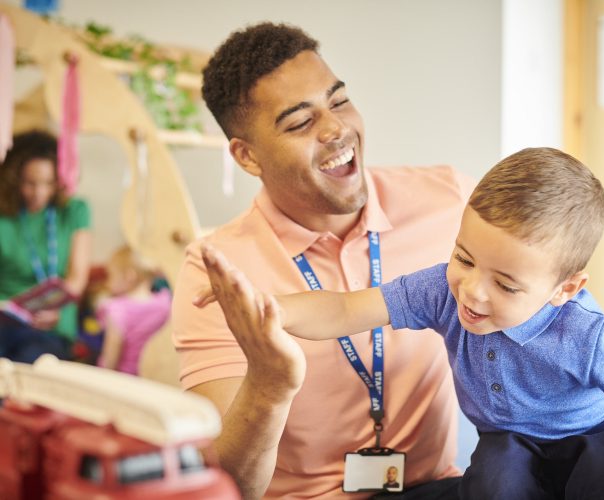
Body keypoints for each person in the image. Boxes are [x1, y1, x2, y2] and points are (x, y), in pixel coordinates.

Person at [202, 147, 604, 500]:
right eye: (464, 258)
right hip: (510, 436)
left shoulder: (591, 336)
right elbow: (344, 310)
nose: (472, 291)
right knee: (493, 487)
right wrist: (269, 308)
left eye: (505, 286)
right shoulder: (441, 290)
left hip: (598, 431)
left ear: (564, 289)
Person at [172, 22, 474, 500]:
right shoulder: (218, 270)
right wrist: (269, 386)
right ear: (247, 156)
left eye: (338, 101)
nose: (336, 129)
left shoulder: (449, 199)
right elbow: (230, 484)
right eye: (300, 122)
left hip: (436, 487)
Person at [0, 130, 91, 363]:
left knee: (34, 363)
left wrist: (54, 311)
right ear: (14, 178)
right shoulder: (5, 216)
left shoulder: (75, 210)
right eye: (29, 183)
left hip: (52, 324)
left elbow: (77, 277)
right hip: (4, 319)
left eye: (48, 183)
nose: (39, 193)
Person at [96, 245, 171, 375]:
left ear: (129, 276)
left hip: (126, 381)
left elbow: (110, 359)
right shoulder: (165, 303)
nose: (107, 283)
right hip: (157, 378)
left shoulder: (116, 309)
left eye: (111, 275)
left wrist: (100, 376)